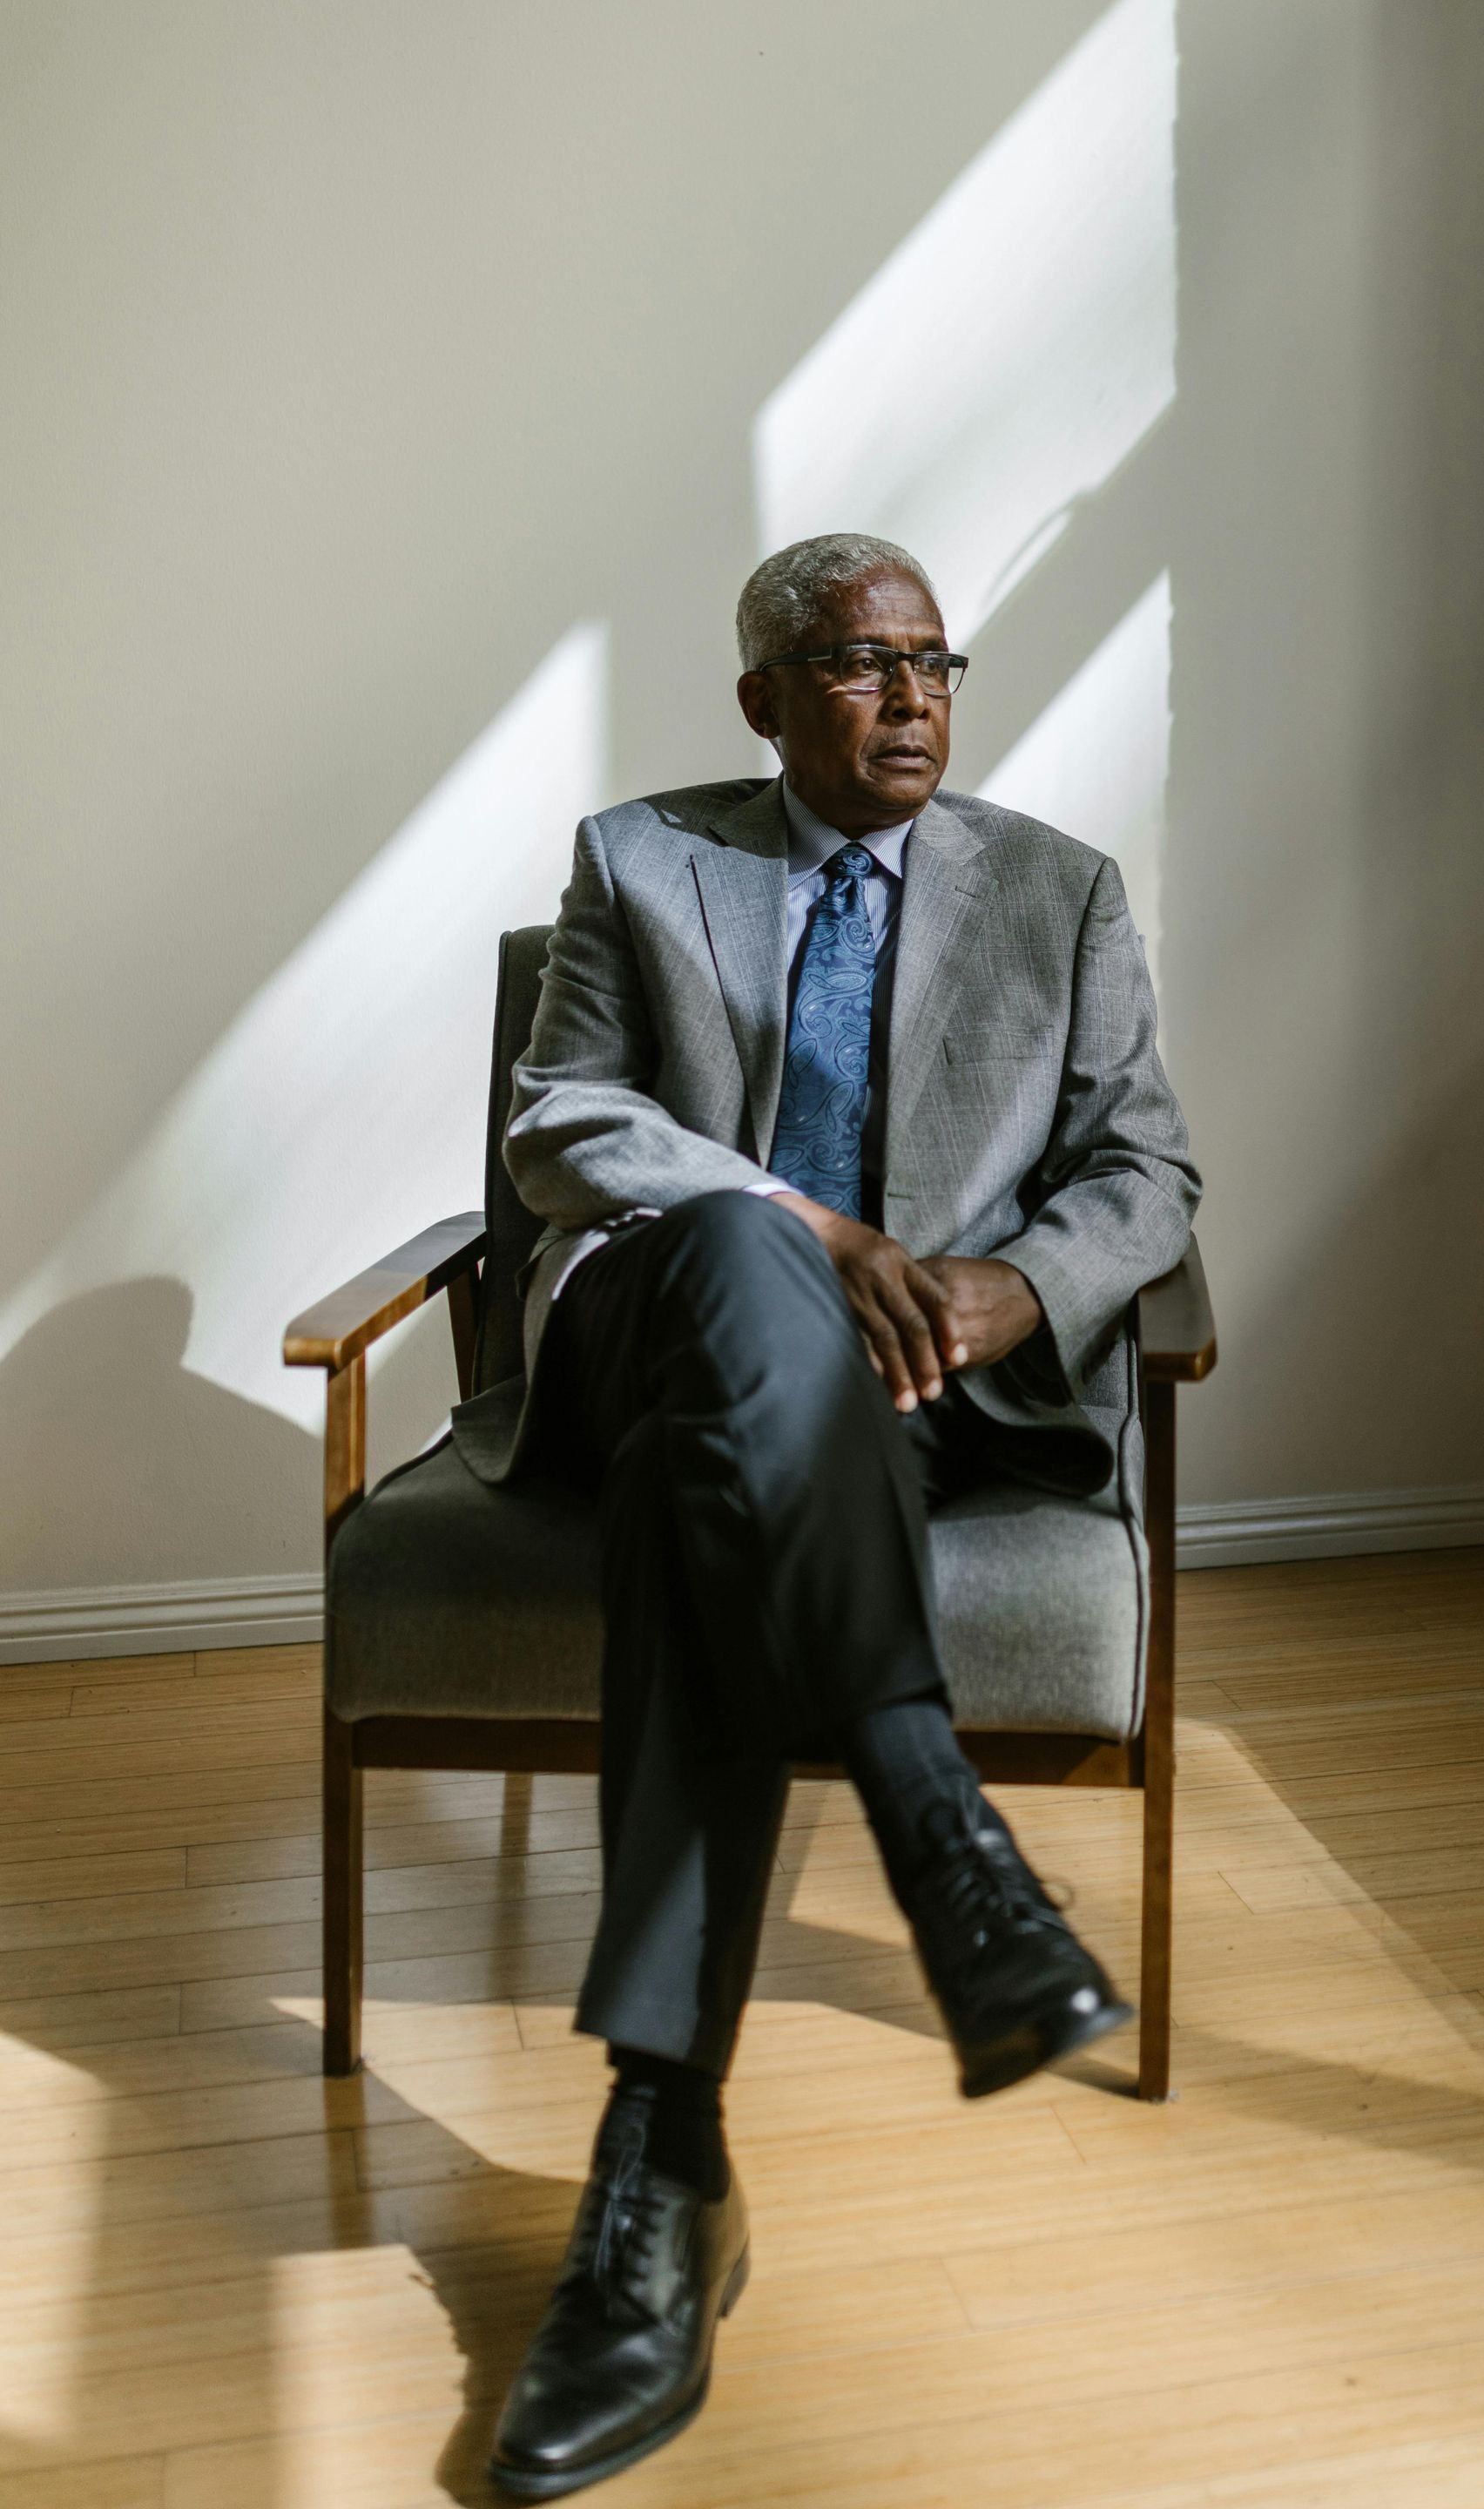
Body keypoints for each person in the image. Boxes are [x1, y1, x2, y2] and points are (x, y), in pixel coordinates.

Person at [458, 532, 1201, 2499]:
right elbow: (562, 1123)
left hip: (913, 1400)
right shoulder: (643, 857)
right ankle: (926, 1805)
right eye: (862, 666)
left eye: (935, 663)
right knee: (729, 1262)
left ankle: (662, 2153)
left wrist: (1004, 1288)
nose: (911, 699)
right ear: (763, 700)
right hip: (663, 1319)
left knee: (711, 1503)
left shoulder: (1059, 892)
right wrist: (812, 1230)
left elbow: (1148, 1172)